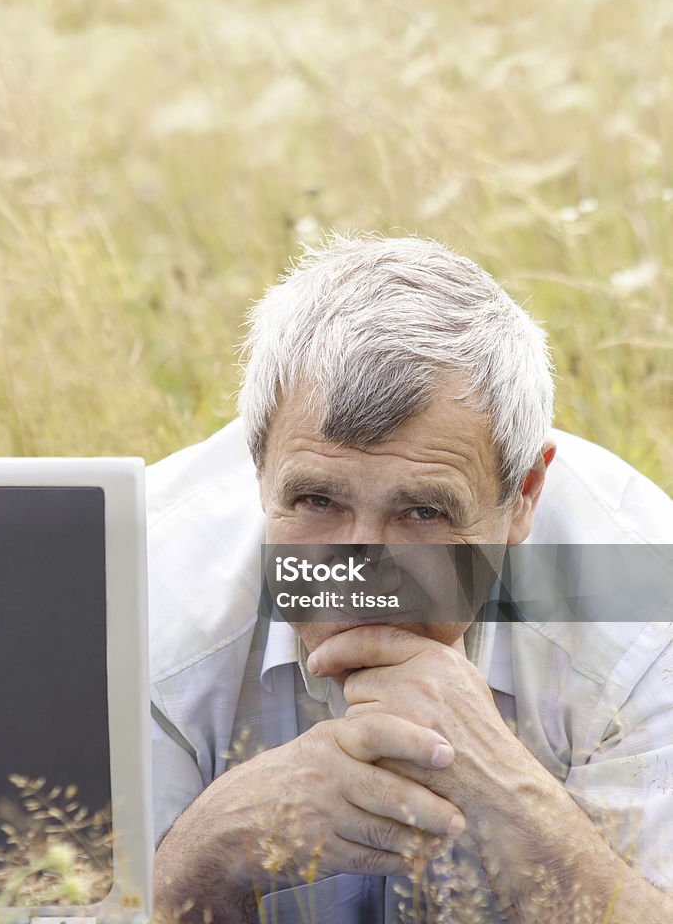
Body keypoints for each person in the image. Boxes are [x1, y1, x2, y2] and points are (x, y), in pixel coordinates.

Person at [147, 234, 672, 923]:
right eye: (317, 502)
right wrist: (209, 852)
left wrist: (508, 792)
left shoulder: (644, 614)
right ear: (259, 472)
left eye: (421, 513)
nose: (360, 572)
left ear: (521, 497)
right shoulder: (140, 599)